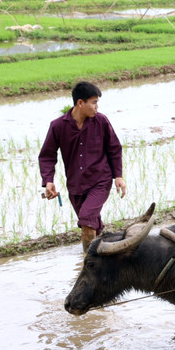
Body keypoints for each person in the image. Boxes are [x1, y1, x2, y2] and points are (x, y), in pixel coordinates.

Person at [39, 82, 126, 252]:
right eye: (93, 102)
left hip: (100, 181)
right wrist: (48, 181)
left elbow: (114, 148)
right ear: (80, 103)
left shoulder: (101, 121)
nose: (96, 107)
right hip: (75, 186)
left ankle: (88, 265)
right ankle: (110, 251)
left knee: (86, 220)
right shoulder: (58, 126)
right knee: (93, 227)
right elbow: (47, 155)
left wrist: (118, 176)